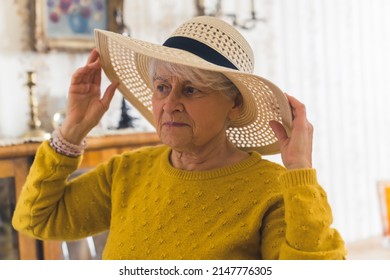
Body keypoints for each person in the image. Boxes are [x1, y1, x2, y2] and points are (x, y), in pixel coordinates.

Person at [12, 16, 347, 260]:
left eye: (190, 90)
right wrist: (72, 130)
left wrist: (300, 170)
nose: (169, 105)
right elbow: (35, 219)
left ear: (234, 104)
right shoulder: (127, 172)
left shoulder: (273, 190)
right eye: (162, 88)